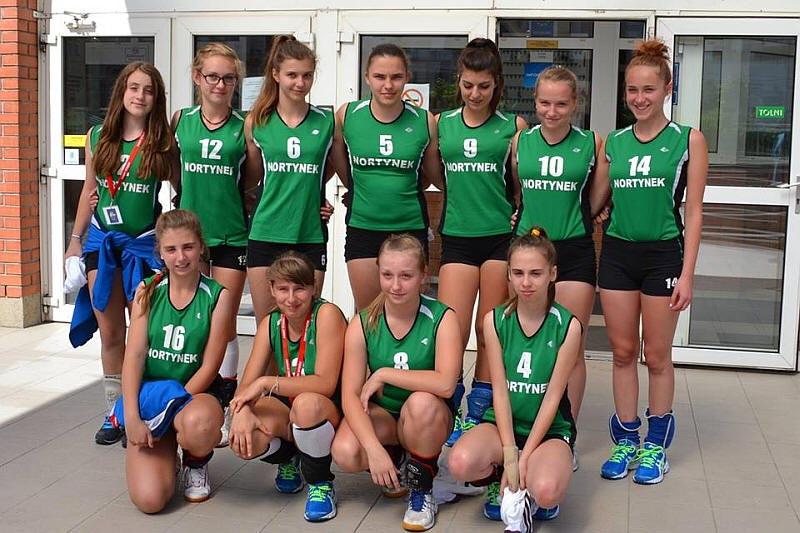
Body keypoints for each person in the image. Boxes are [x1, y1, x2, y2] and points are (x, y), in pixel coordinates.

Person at [596, 39, 707, 484]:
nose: (639, 98)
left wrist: (687, 274)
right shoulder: (615, 142)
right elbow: (597, 200)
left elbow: (694, 211)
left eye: (648, 89)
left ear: (667, 89)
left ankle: (655, 446)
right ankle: (626, 438)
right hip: (618, 254)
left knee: (657, 355)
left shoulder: (688, 139)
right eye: (632, 90)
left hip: (663, 255)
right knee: (623, 353)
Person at [66, 62, 175, 445]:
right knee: (112, 333)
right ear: (121, 91)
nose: (140, 96)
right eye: (134, 87)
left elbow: (183, 189)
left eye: (148, 90)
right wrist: (75, 240)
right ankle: (115, 412)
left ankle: (143, 407)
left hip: (143, 247)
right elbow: (89, 190)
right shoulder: (97, 136)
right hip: (102, 243)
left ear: (156, 98)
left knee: (144, 334)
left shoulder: (162, 141)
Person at [510, 65, 608, 476]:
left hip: (573, 249)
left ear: (575, 104)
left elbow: (597, 197)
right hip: (529, 251)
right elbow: (517, 192)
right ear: (535, 102)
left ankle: (565, 434)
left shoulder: (591, 143)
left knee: (571, 344)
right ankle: (523, 427)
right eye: (545, 102)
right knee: (524, 339)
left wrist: (591, 215)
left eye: (561, 104)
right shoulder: (520, 141)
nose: (552, 111)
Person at [447, 228, 581, 525]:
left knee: (547, 492)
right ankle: (501, 478)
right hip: (502, 425)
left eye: (536, 273)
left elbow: (553, 398)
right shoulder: (495, 321)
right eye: (518, 273)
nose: (526, 282)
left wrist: (525, 456)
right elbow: (500, 392)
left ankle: (531, 482)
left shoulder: (567, 326)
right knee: (459, 463)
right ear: (508, 274)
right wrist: (510, 456)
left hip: (548, 430)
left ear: (552, 274)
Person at [330, 234, 462, 531]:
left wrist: (383, 374)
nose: (396, 285)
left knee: (421, 402)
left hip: (428, 417)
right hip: (387, 417)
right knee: (346, 451)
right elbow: (350, 395)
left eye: (406, 276)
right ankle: (397, 458)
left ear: (423, 275)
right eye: (387, 275)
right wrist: (374, 450)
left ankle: (422, 488)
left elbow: (445, 384)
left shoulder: (442, 318)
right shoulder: (362, 323)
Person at [436, 38, 527, 446]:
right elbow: (434, 173)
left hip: (498, 238)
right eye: (468, 85)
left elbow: (521, 184)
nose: (475, 94)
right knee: (451, 328)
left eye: (484, 86)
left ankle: (478, 410)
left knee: (489, 327)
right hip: (457, 235)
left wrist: (517, 210)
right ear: (459, 81)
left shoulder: (513, 128)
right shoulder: (442, 124)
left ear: (497, 85)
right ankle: (450, 405)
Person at [120, 209, 234, 513]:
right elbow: (133, 357)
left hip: (193, 396)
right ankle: (167, 455)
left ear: (201, 247)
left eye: (188, 247)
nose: (180, 257)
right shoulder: (148, 290)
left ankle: (196, 461)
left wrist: (173, 406)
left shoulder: (217, 296)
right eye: (171, 249)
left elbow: (210, 366)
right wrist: (132, 417)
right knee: (150, 500)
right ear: (160, 252)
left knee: (199, 425)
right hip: (152, 398)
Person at [228, 252, 347, 522]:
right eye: (283, 289)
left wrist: (266, 382)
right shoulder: (271, 323)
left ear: (313, 287)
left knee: (306, 404)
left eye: (299, 288)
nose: (291, 298)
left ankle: (320, 483)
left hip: (328, 408)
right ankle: (289, 458)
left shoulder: (326, 314)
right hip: (289, 407)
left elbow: (326, 384)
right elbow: (246, 386)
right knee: (244, 439)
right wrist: (242, 413)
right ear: (271, 289)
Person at [172, 42, 247, 446]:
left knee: (225, 321)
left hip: (231, 234)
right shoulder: (180, 120)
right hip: (190, 237)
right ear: (197, 77)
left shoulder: (244, 126)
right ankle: (193, 397)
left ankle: (226, 396)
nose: (220, 84)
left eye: (228, 78)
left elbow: (254, 178)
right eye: (212, 76)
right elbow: (172, 171)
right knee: (195, 320)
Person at [331, 43, 442, 311]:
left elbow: (431, 177)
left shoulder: (424, 121)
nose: (388, 85)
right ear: (367, 77)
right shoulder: (347, 115)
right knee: (368, 313)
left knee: (407, 312)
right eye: (380, 77)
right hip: (363, 227)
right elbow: (340, 163)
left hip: (409, 227)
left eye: (396, 77)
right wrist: (358, 189)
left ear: (407, 77)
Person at [244, 35, 335, 327]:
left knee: (304, 325)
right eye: (292, 75)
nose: (300, 82)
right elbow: (253, 178)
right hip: (266, 232)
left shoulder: (327, 122)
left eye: (307, 75)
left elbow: (328, 167)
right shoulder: (257, 121)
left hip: (309, 234)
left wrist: (315, 194)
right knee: (267, 326)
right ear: (275, 74)